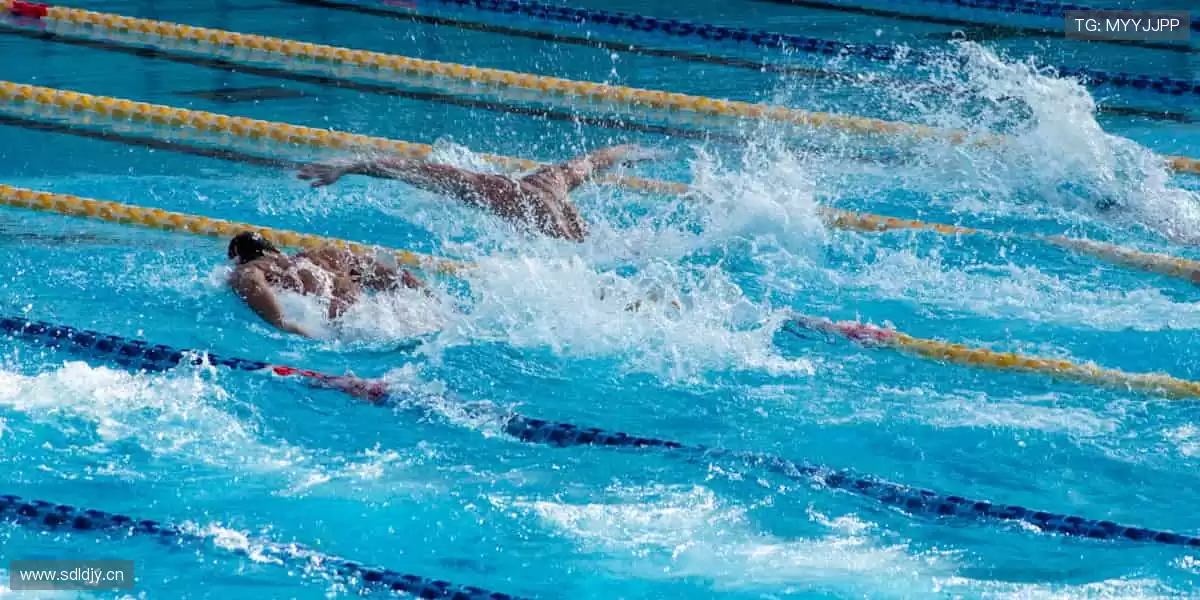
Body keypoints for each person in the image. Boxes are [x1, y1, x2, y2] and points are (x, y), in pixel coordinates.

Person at [297, 144, 664, 242]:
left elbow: (414, 171)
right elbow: (595, 159)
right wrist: (631, 151)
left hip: (563, 257)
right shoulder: (555, 179)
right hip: (592, 245)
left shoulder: (496, 190)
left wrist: (349, 166)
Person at [226, 231, 427, 338]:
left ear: (239, 260)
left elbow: (252, 284)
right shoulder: (322, 255)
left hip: (341, 329)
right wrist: (425, 293)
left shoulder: (250, 268)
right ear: (276, 249)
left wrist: (282, 324)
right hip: (378, 316)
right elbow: (385, 272)